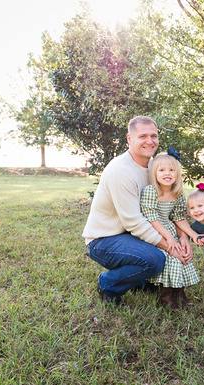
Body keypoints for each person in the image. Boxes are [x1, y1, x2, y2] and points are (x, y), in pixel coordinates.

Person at [82, 116, 193, 306]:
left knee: (170, 240)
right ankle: (108, 283)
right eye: (142, 136)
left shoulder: (155, 166)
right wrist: (171, 247)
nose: (149, 141)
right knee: (154, 259)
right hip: (104, 239)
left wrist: (182, 238)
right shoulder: (121, 171)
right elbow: (134, 222)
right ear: (129, 139)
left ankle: (140, 280)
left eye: (153, 136)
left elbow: (171, 208)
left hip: (130, 235)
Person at [140, 150, 204, 310]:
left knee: (182, 251)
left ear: (177, 173)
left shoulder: (177, 193)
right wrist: (168, 237)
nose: (167, 173)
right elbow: (151, 218)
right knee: (171, 257)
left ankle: (180, 292)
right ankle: (166, 296)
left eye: (171, 170)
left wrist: (193, 236)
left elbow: (178, 218)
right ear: (154, 173)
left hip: (169, 228)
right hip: (154, 231)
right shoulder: (151, 191)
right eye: (161, 170)